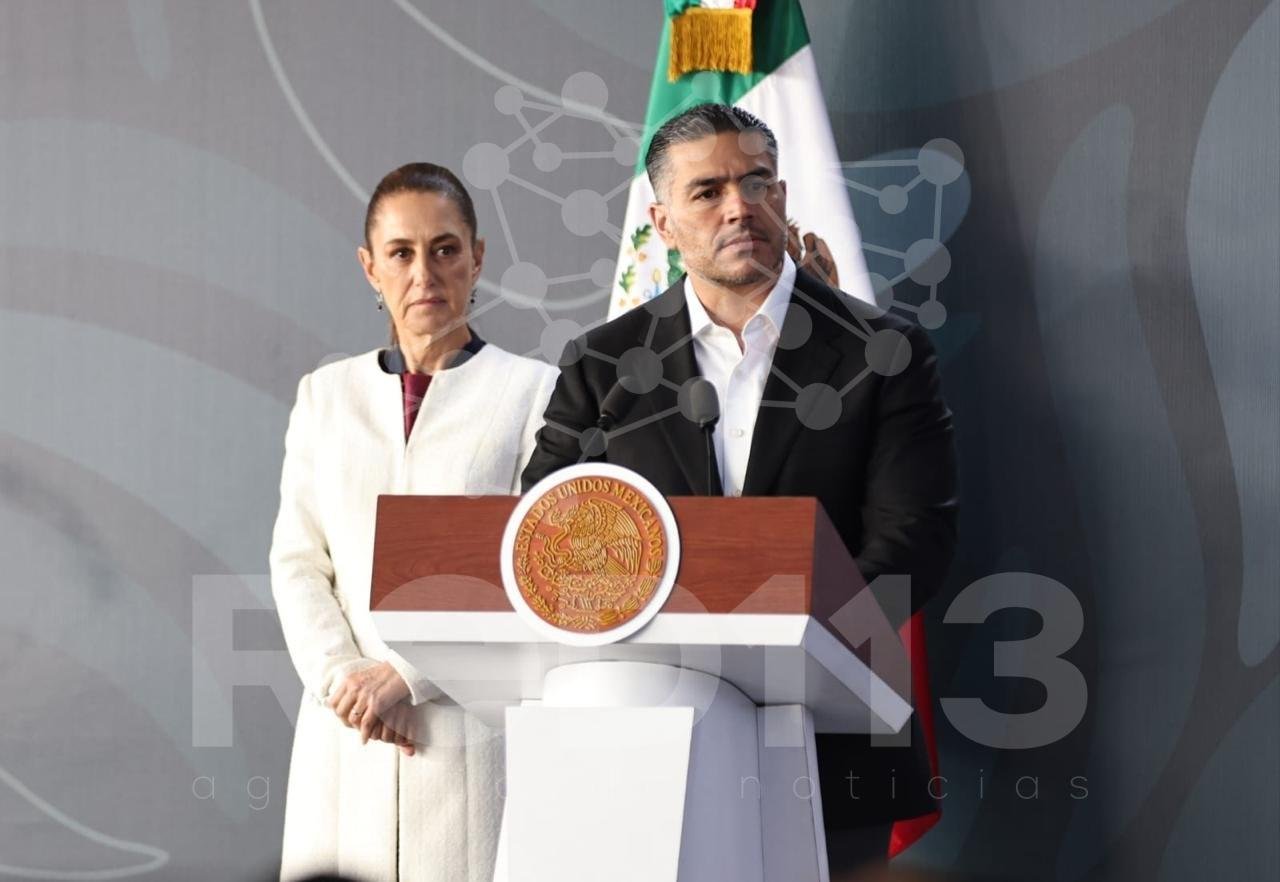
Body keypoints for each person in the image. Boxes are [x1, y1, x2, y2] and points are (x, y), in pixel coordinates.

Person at [521, 104, 958, 876]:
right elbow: (546, 537)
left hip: (835, 739)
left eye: (757, 183)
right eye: (708, 191)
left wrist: (784, 646)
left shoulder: (884, 352)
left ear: (782, 197)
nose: (739, 207)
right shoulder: (603, 366)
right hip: (645, 742)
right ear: (662, 222)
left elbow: (914, 539)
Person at [270, 162, 557, 881]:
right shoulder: (325, 397)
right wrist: (348, 681)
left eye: (445, 249)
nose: (423, 273)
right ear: (370, 267)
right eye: (400, 253)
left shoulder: (534, 392)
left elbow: (534, 570)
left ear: (477, 258)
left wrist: (405, 676)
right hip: (347, 735)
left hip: (467, 732)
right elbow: (298, 561)